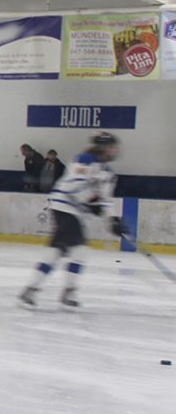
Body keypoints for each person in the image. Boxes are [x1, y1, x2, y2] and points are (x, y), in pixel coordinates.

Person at [20, 132, 126, 309]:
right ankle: (67, 292)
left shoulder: (108, 174)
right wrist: (91, 202)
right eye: (111, 146)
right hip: (64, 207)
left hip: (75, 212)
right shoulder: (84, 160)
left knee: (58, 250)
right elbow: (72, 186)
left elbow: (106, 200)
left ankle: (32, 289)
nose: (114, 150)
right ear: (102, 147)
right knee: (79, 250)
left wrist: (113, 220)